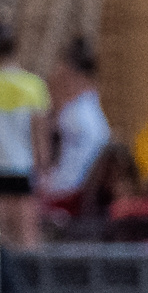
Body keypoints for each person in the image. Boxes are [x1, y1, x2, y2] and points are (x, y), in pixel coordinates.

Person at [0, 28, 51, 249]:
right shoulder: (32, 85)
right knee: (27, 240)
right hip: (22, 167)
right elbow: (39, 136)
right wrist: (43, 170)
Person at [40, 37, 112, 206]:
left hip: (69, 189)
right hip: (79, 187)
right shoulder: (89, 108)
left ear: (71, 75)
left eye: (62, 77)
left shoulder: (74, 114)